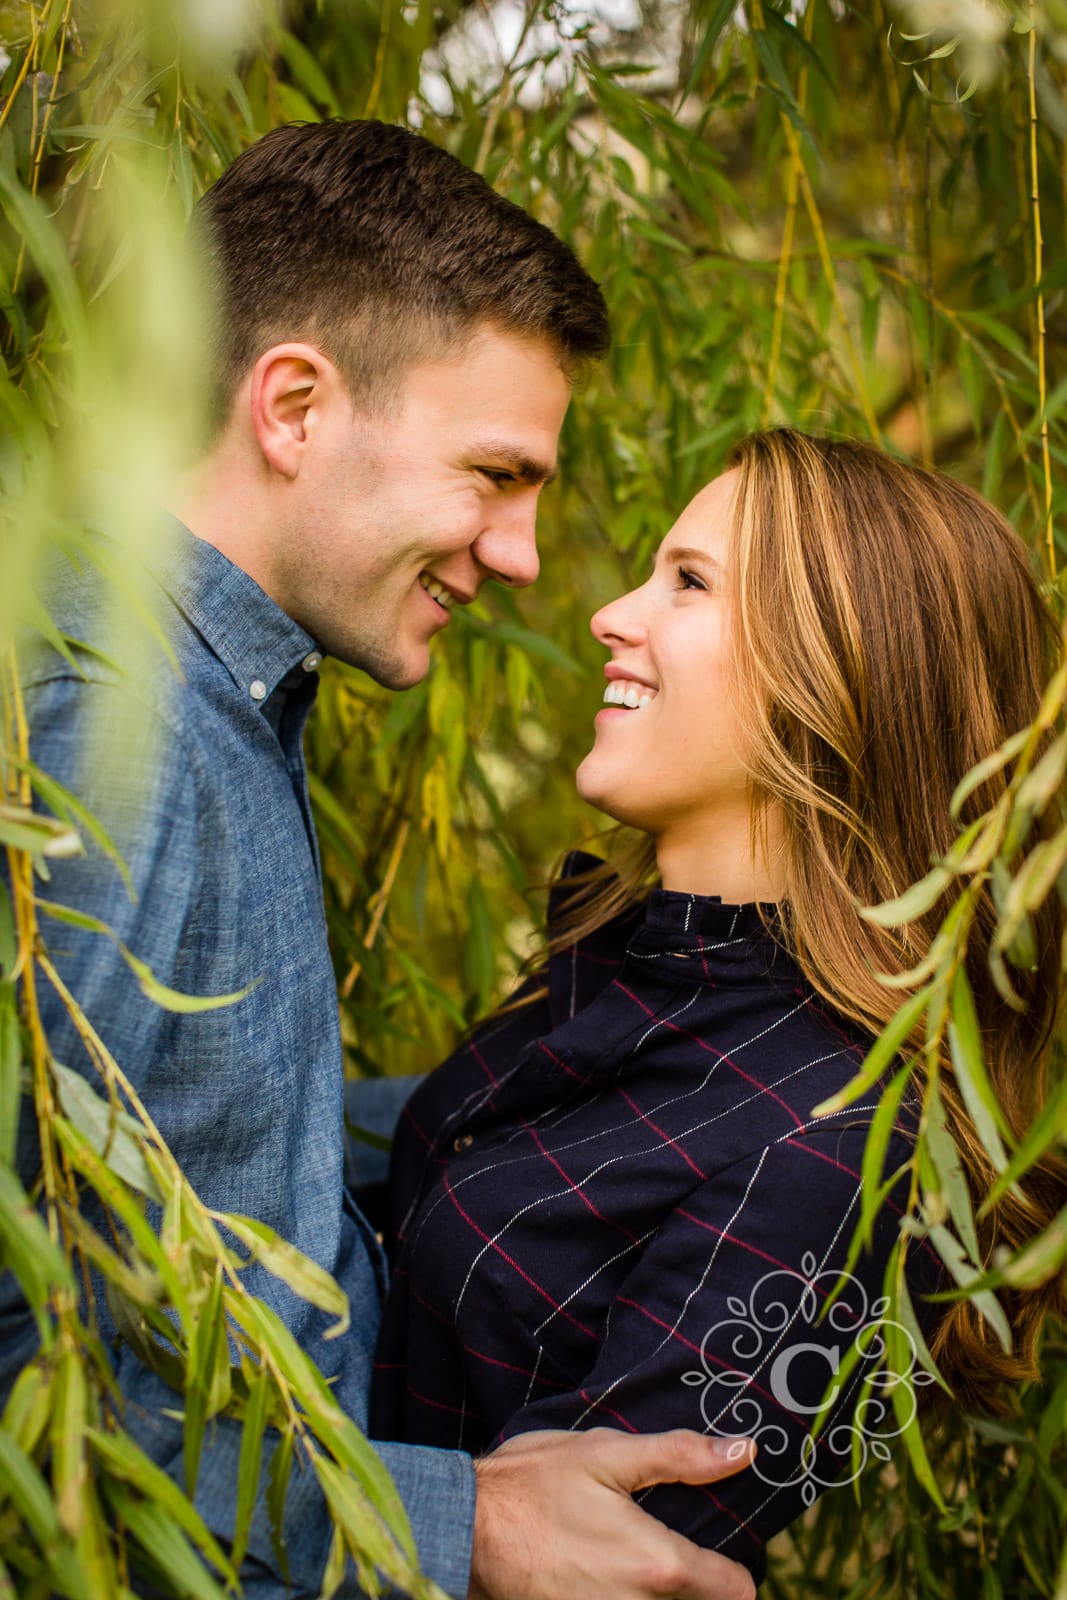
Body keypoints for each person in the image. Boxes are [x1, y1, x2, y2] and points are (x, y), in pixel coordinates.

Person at [1, 120, 759, 1600]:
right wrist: (448, 1521)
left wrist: (611, 1106)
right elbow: (31, 1349)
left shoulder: (218, 706)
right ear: (292, 406)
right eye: (494, 472)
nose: (531, 558)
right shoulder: (102, 740)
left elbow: (183, 1137)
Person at [370, 429, 1067, 1589]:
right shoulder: (625, 956)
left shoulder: (828, 1155)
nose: (607, 612)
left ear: (838, 676)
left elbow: (587, 1565)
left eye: (685, 582)